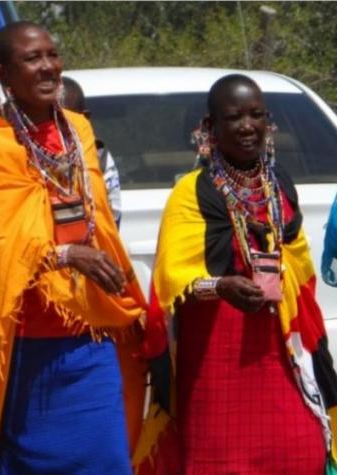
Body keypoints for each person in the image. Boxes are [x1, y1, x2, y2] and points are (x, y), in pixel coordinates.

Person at [0, 21, 147, 475]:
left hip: (90, 332)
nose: (48, 66)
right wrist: (65, 255)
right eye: (32, 58)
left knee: (107, 462)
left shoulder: (78, 130)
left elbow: (99, 220)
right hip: (25, 345)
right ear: (2, 75)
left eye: (52, 55)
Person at [136, 74, 337, 474]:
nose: (247, 126)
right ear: (211, 127)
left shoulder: (280, 185)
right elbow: (174, 281)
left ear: (268, 122)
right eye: (234, 117)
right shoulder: (191, 192)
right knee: (222, 460)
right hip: (217, 354)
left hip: (281, 344)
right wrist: (220, 287)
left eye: (256, 115)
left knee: (301, 450)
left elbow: (298, 261)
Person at [62, 76, 123, 226]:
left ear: (85, 118)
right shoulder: (25, 152)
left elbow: (112, 217)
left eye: (65, 119)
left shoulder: (100, 158)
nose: (55, 126)